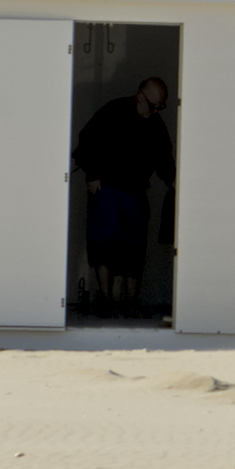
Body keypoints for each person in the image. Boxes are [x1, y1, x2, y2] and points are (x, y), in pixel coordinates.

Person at [72, 75, 175, 311]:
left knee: (134, 248)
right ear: (140, 96)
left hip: (135, 192)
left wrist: (173, 181)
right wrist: (92, 174)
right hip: (106, 187)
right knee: (104, 245)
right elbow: (87, 140)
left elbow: (164, 158)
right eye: (152, 106)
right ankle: (107, 301)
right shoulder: (114, 110)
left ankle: (130, 303)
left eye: (160, 107)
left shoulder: (156, 123)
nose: (155, 111)